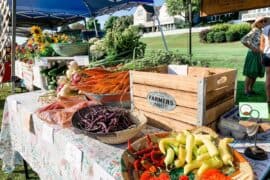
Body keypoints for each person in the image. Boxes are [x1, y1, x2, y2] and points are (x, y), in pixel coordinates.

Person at [241, 17, 266, 96]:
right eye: (261, 21)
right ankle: (246, 91)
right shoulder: (254, 30)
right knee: (250, 73)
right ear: (257, 23)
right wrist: (252, 48)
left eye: (264, 21)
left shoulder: (261, 31)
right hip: (253, 54)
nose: (263, 23)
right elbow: (243, 40)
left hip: (260, 54)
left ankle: (250, 89)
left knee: (255, 73)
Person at [260, 19, 270, 103]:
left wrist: (262, 57)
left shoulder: (264, 30)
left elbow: (261, 46)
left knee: (268, 78)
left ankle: (268, 99)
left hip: (266, 55)